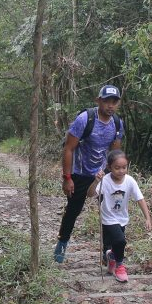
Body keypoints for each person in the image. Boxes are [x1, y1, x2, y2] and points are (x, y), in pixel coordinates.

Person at [53, 85, 125, 263]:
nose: (110, 105)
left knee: (109, 211)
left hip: (101, 173)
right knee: (73, 210)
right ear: (98, 101)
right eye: (106, 101)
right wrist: (67, 178)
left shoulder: (117, 123)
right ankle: (62, 243)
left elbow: (114, 155)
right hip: (79, 172)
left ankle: (108, 252)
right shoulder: (85, 119)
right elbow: (68, 148)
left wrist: (115, 178)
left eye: (114, 102)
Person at [88, 149, 152, 283]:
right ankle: (120, 266)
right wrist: (95, 181)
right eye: (117, 168)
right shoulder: (105, 180)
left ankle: (111, 256)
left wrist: (147, 217)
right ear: (109, 167)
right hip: (108, 217)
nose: (121, 171)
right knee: (120, 241)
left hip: (122, 218)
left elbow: (140, 199)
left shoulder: (130, 181)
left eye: (124, 167)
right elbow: (90, 194)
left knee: (116, 244)